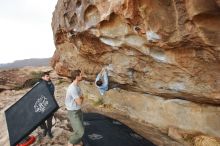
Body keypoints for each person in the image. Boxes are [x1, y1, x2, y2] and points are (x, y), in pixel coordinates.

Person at [65, 70, 84, 146]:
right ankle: (70, 142)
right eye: (81, 75)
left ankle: (76, 141)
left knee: (80, 128)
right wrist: (81, 98)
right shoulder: (72, 88)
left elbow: (81, 98)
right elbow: (80, 101)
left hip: (78, 109)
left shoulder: (77, 86)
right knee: (80, 131)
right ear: (77, 77)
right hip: (73, 112)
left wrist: (80, 98)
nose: (82, 76)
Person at [39, 72, 55, 138]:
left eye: (48, 76)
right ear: (42, 77)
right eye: (46, 76)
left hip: (50, 104)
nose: (48, 77)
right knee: (40, 120)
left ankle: (49, 131)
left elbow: (51, 92)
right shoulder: (39, 85)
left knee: (49, 120)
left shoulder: (51, 84)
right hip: (42, 105)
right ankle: (45, 129)